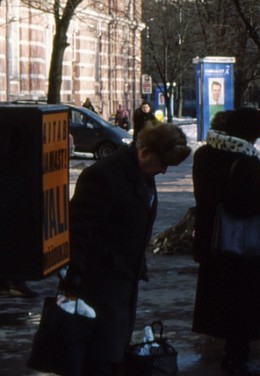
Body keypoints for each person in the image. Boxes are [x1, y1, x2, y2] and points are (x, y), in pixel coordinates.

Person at [60, 122, 191, 375]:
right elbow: (79, 229)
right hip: (97, 281)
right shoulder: (104, 175)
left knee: (112, 350)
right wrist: (75, 278)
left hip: (122, 279)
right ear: (145, 152)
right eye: (163, 163)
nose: (164, 171)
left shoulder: (142, 175)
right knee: (97, 355)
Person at [192, 109, 260, 376]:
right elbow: (249, 202)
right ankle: (236, 361)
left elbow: (205, 199)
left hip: (211, 241)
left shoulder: (203, 155)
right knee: (243, 306)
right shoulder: (244, 160)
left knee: (219, 303)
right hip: (241, 246)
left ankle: (230, 354)